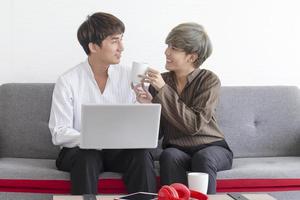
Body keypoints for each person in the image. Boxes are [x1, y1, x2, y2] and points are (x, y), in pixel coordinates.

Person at [49, 12, 156, 195]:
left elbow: (139, 129)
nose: (121, 47)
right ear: (93, 46)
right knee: (88, 156)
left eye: (121, 40)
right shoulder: (68, 80)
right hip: (79, 151)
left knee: (142, 155)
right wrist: (93, 140)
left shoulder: (130, 76)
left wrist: (144, 105)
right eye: (114, 41)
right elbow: (59, 132)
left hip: (119, 151)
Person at [133, 22, 233, 194]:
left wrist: (163, 91)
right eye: (168, 46)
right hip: (177, 149)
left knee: (204, 158)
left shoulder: (208, 80)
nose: (166, 52)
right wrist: (149, 107)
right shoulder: (161, 82)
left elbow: (194, 124)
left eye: (173, 48)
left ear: (192, 57)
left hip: (211, 146)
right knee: (169, 156)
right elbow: (156, 135)